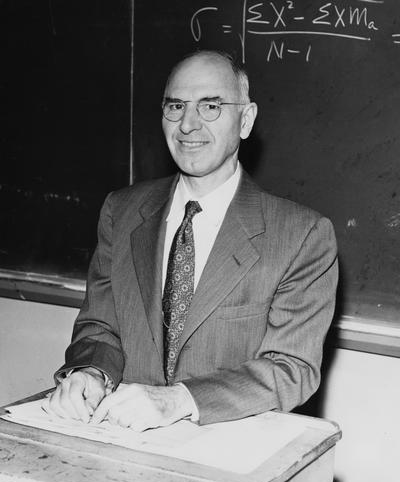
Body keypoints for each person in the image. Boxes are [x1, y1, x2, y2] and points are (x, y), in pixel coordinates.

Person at [47, 50, 338, 431]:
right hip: (121, 443)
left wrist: (180, 400)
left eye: (211, 106)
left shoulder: (301, 235)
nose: (188, 124)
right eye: (176, 106)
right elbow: (100, 327)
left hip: (229, 453)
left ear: (245, 120)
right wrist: (90, 372)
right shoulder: (121, 211)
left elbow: (291, 368)